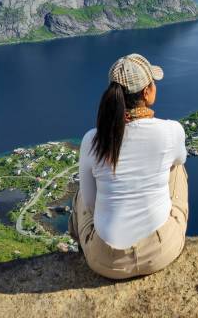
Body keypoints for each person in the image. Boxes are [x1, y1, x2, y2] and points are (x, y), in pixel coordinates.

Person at [69, 53, 189, 280]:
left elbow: (91, 204)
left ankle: (80, 246)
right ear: (146, 92)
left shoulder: (93, 140)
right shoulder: (171, 131)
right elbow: (180, 158)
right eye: (153, 83)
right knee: (177, 167)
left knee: (82, 192)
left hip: (106, 262)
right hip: (160, 252)